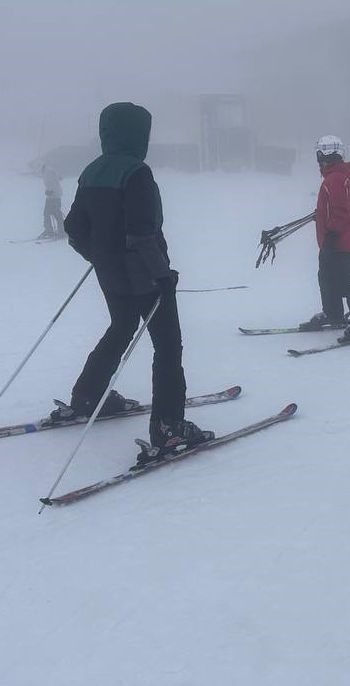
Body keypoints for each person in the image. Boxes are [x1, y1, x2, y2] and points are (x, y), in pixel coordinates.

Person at [57, 102, 212, 463]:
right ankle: (169, 427)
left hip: (111, 276)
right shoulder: (137, 172)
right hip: (146, 278)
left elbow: (75, 228)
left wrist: (99, 256)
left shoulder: (92, 171)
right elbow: (142, 233)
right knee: (168, 346)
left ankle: (87, 396)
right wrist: (162, 275)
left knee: (121, 327)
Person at [300, 136, 350, 341]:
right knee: (325, 277)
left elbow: (341, 211)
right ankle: (333, 313)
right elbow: (335, 207)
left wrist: (332, 237)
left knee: (345, 283)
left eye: (319, 154)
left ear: (328, 155)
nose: (317, 159)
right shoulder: (335, 177)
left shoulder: (334, 178)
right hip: (332, 241)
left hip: (338, 242)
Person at [40, 164, 65, 239]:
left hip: (55, 196)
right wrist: (48, 191)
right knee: (48, 213)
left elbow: (55, 182)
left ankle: (61, 231)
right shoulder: (46, 172)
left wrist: (50, 190)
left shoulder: (50, 171)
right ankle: (49, 230)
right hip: (51, 196)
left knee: (55, 213)